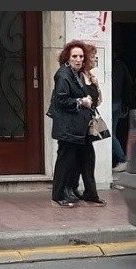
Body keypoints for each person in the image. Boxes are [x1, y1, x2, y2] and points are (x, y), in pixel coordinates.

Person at [46, 39, 95, 208]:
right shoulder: (63, 74)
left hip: (74, 127)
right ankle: (57, 195)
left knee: (70, 162)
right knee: (64, 161)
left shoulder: (76, 74)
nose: (78, 59)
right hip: (66, 127)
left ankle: (65, 193)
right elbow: (61, 99)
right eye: (75, 56)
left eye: (81, 56)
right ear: (68, 57)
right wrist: (81, 101)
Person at [64, 41, 106, 206]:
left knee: (87, 157)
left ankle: (88, 191)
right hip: (77, 123)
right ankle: (75, 189)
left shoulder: (91, 77)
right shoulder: (77, 77)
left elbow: (98, 100)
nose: (94, 59)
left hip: (87, 123)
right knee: (77, 157)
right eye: (92, 56)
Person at [110, 45, 133, 172]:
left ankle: (122, 158)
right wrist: (126, 102)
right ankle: (117, 158)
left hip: (112, 102)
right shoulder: (121, 66)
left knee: (109, 134)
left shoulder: (113, 66)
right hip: (118, 102)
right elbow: (128, 84)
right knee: (111, 132)